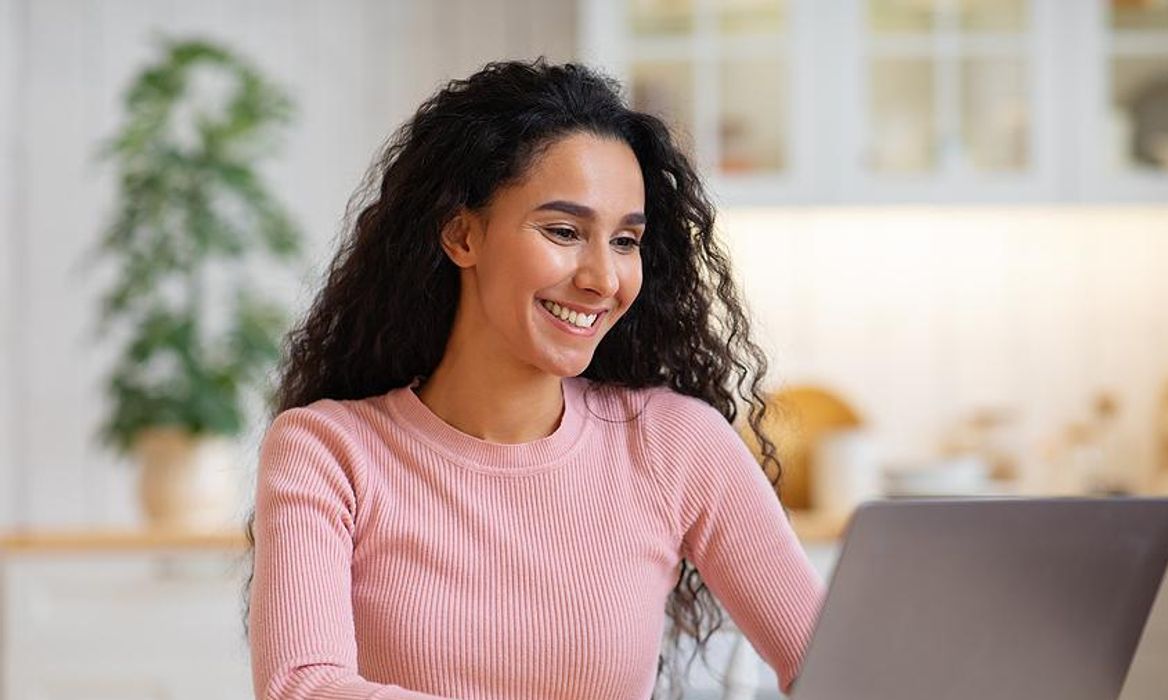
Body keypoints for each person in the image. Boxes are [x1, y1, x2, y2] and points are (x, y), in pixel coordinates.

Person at [245, 57, 825, 700]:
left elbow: (839, 668)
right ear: (462, 234)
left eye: (625, 241)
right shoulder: (328, 450)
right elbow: (302, 686)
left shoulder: (676, 443)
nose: (603, 279)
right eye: (564, 231)